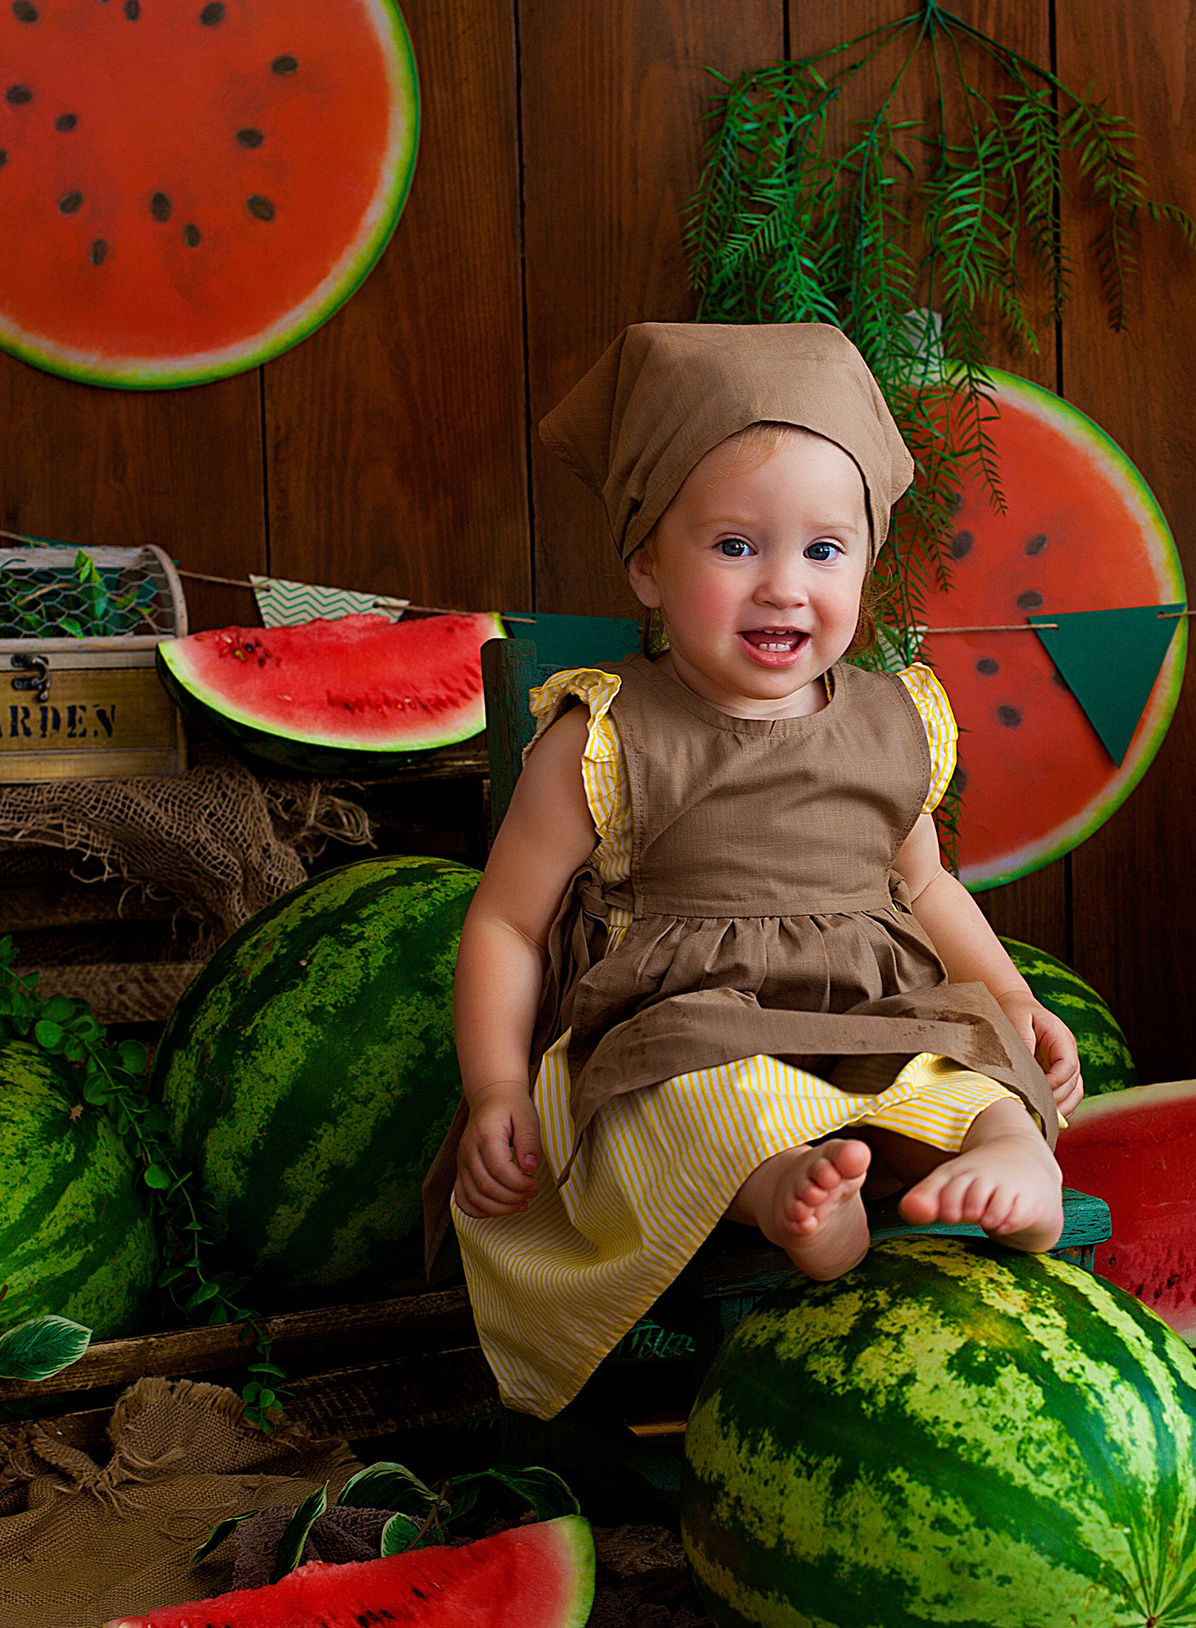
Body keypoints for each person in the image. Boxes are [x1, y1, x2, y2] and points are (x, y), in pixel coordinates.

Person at [431, 321, 1084, 1419]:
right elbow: (504, 923)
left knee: (971, 1066)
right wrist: (496, 1086)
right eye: (736, 547)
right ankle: (785, 1187)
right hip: (686, 1021)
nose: (784, 586)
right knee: (685, 1103)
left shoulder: (892, 720)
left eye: (823, 551)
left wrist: (1012, 1000)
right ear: (649, 562)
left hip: (878, 1018)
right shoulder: (606, 736)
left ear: (868, 563)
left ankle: (1014, 1156)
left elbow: (923, 888)